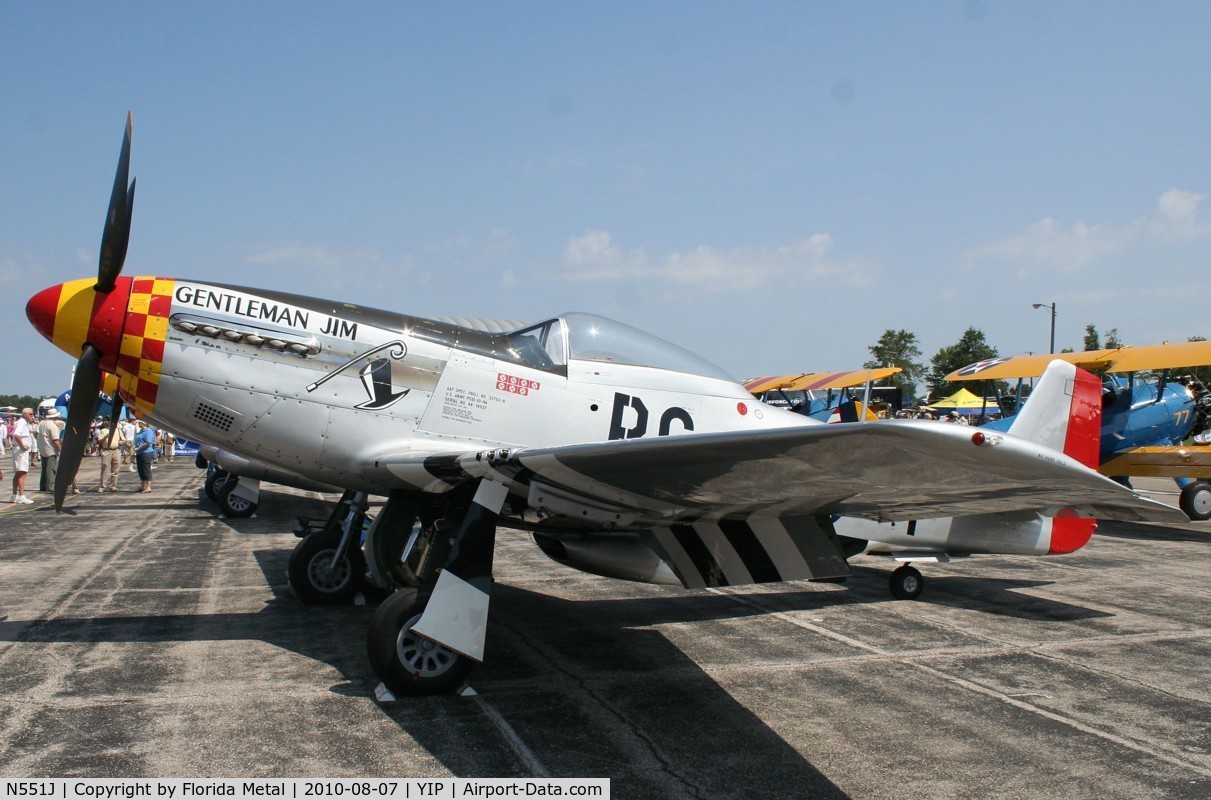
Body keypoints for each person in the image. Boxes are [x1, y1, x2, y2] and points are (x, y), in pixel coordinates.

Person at [10, 408, 35, 504]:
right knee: (22, 472)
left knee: (18, 473)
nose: (32, 416)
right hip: (20, 450)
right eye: (30, 414)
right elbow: (16, 434)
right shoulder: (22, 423)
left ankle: (14, 495)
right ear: (25, 414)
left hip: (19, 449)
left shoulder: (23, 423)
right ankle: (21, 495)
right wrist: (23, 445)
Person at [36, 409, 64, 493]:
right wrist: (60, 450)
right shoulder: (52, 425)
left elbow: (36, 434)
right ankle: (50, 485)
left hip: (42, 448)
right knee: (51, 468)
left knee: (44, 468)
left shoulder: (41, 423)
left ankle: (43, 485)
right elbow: (55, 440)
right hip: (50, 449)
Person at [96, 420, 123, 491]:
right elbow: (100, 441)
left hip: (116, 450)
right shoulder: (104, 430)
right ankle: (102, 486)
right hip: (107, 450)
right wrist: (106, 437)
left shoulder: (118, 430)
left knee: (116, 468)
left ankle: (113, 486)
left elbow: (123, 440)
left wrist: (121, 442)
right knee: (105, 467)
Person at [133, 420, 157, 493]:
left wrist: (138, 448)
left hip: (146, 453)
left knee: (146, 469)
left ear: (141, 423)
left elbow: (147, 443)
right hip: (139, 453)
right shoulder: (140, 431)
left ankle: (148, 486)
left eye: (138, 423)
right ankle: (143, 485)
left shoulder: (148, 431)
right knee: (141, 469)